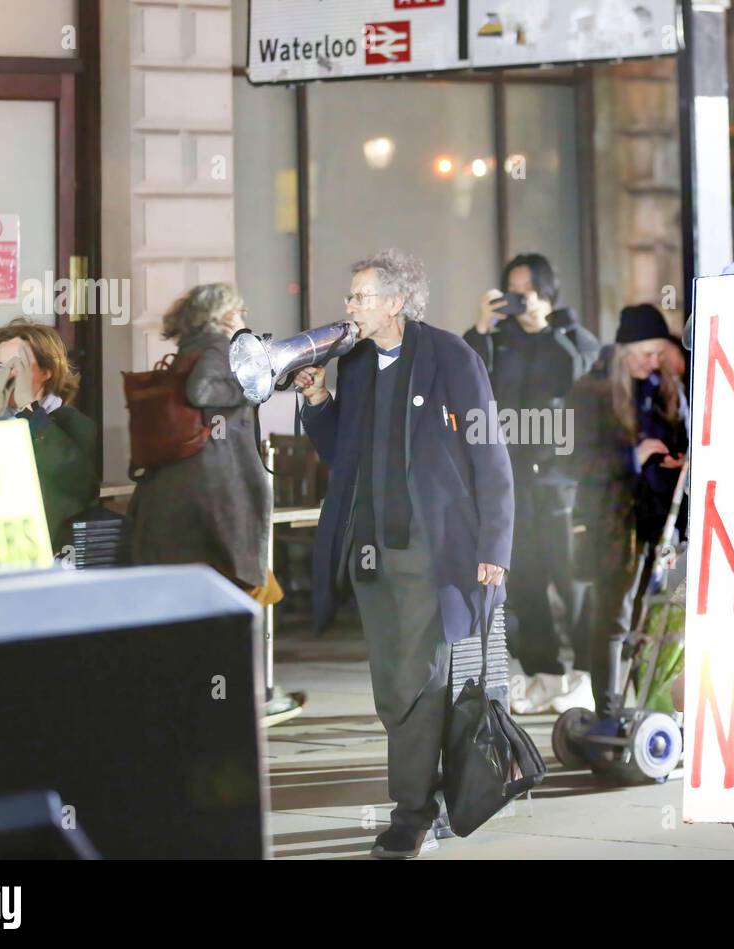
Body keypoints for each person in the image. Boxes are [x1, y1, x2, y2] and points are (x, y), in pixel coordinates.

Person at [297, 248, 513, 859]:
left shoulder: (450, 356)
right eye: (350, 297)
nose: (350, 307)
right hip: (372, 550)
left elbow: (489, 452)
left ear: (396, 303)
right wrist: (317, 400)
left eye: (360, 297)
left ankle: (410, 814)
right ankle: (431, 797)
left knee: (417, 677)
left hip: (431, 550)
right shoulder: (358, 362)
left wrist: (494, 543)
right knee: (396, 681)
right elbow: (348, 458)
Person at [464, 253, 600, 712]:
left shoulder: (567, 338)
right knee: (525, 581)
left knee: (572, 579)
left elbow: (587, 370)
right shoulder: (498, 341)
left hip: (560, 480)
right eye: (512, 288)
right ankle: (544, 673)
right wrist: (481, 328)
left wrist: (552, 324)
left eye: (528, 288)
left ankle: (587, 676)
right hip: (511, 480)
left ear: (546, 291)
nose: (520, 297)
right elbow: (467, 380)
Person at [563, 304, 689, 718]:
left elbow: (684, 439)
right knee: (614, 618)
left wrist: (683, 460)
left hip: (661, 523)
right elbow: (573, 463)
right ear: (624, 348)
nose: (655, 362)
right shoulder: (589, 392)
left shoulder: (664, 389)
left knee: (652, 619)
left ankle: (648, 708)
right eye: (647, 353)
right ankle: (609, 710)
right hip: (613, 523)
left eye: (658, 354)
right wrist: (632, 457)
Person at [128, 284, 279, 607]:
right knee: (223, 586)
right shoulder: (219, 347)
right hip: (212, 488)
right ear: (226, 316)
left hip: (176, 484)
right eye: (241, 312)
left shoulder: (190, 348)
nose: (242, 319)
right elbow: (202, 391)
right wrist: (250, 389)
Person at [0, 319, 98, 552]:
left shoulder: (72, 424)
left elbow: (78, 483)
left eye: (18, 367)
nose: (7, 376)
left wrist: (29, 411)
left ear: (47, 371)